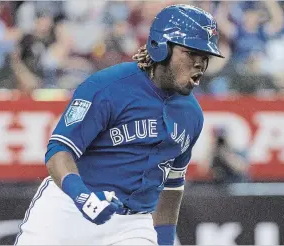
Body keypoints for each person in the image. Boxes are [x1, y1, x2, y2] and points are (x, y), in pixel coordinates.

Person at [15, 4, 224, 245]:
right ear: (161, 48)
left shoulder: (192, 115)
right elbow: (58, 152)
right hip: (69, 208)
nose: (200, 63)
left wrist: (165, 241)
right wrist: (83, 196)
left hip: (133, 224)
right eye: (191, 53)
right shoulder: (108, 86)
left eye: (205, 57)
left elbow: (172, 187)